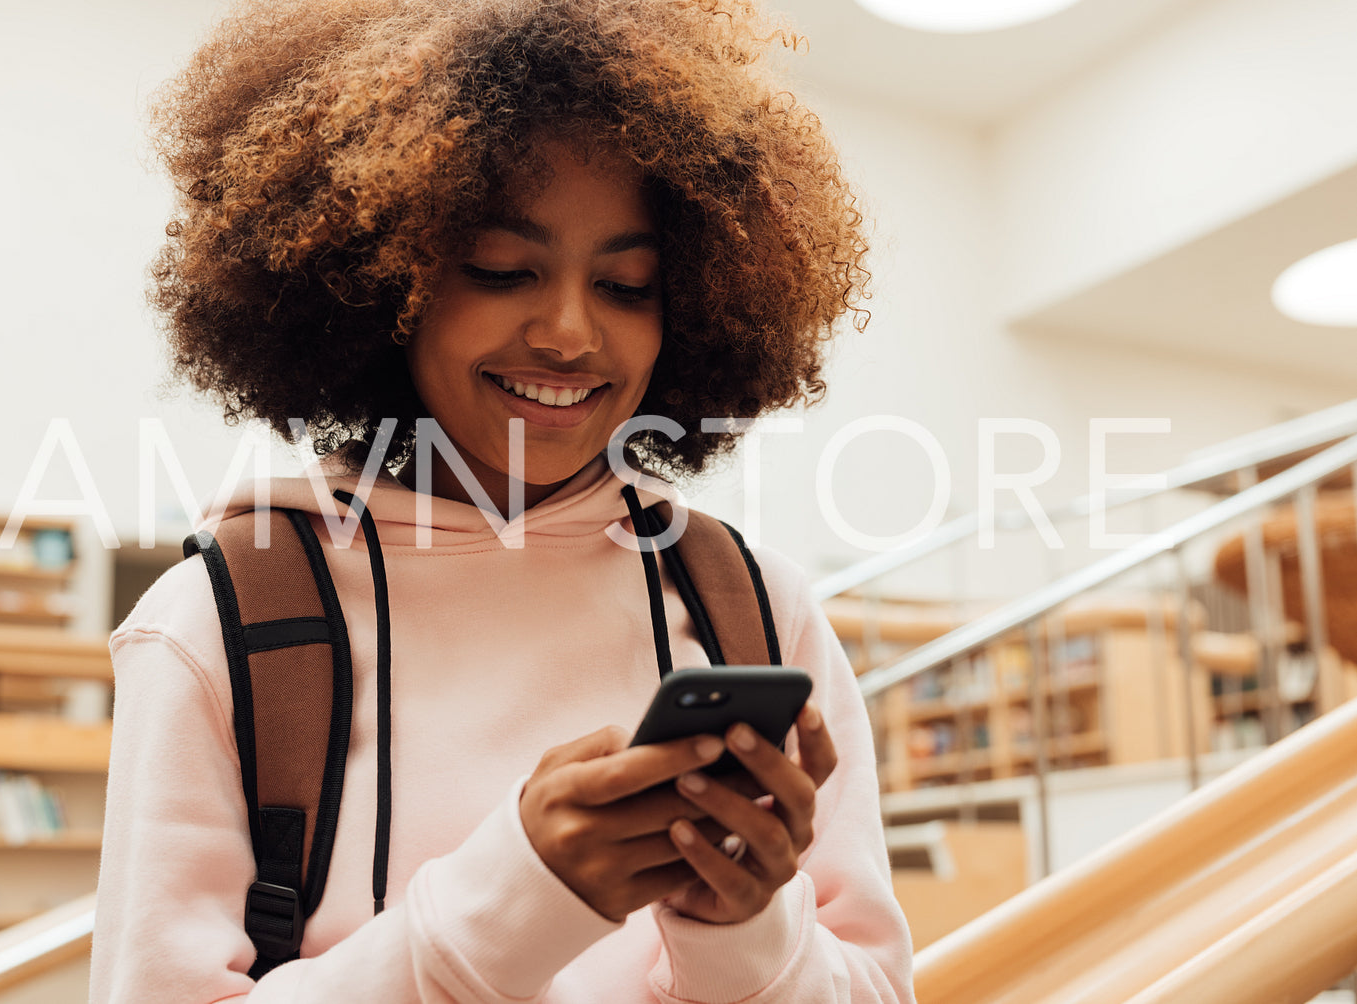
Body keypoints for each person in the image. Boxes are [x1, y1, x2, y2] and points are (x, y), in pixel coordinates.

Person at [90, 0, 915, 1000]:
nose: (569, 332)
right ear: (374, 279)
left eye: (627, 285)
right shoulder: (221, 619)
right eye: (500, 269)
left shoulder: (753, 606)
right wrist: (519, 892)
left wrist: (742, 924)